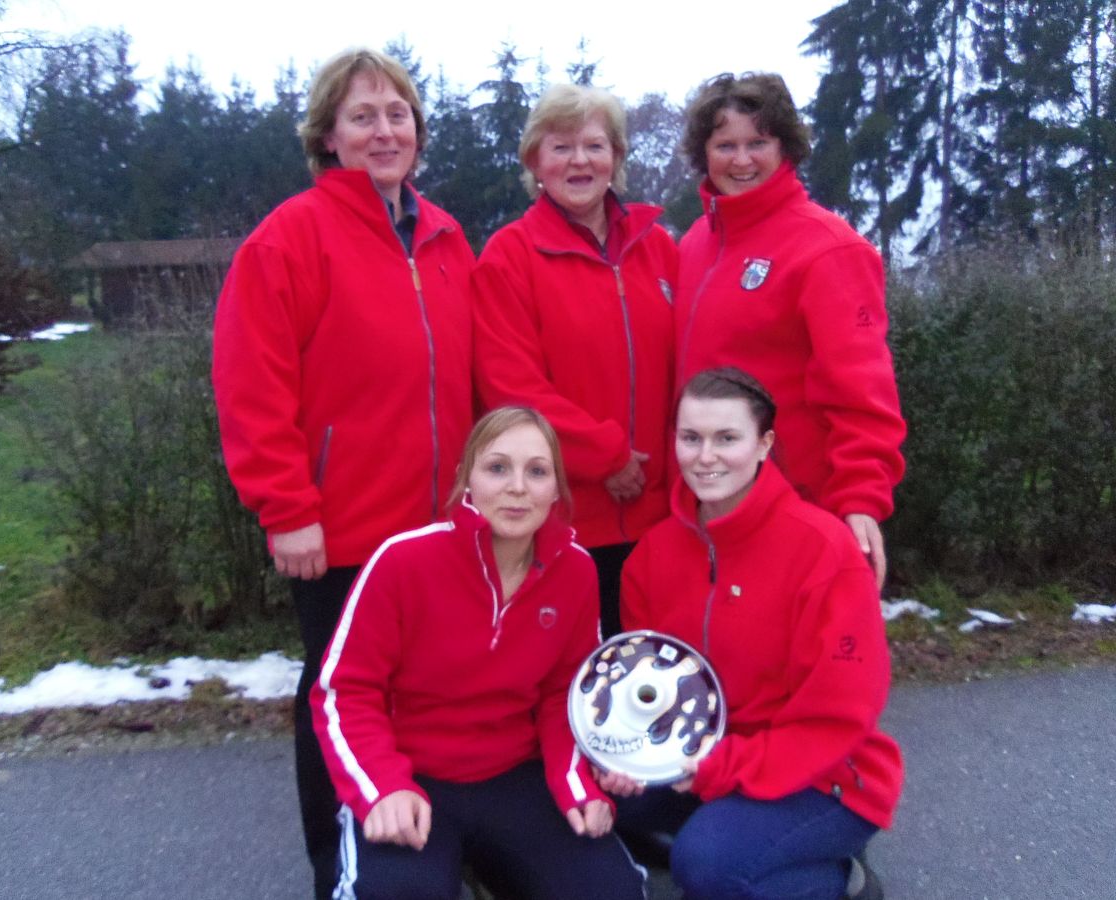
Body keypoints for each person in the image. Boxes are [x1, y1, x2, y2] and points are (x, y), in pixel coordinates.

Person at [211, 48, 474, 898]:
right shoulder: (289, 238)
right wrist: (287, 507)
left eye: (398, 115)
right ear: (328, 135)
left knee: (431, 696)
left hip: (441, 525)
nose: (384, 131)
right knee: (337, 699)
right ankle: (339, 868)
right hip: (342, 530)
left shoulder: (445, 237)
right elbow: (251, 385)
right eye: (362, 117)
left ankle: (424, 849)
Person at [313, 407, 646, 900]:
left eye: (537, 471)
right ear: (466, 477)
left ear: (556, 489)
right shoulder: (403, 561)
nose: (518, 487)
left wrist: (577, 785)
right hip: (413, 774)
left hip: (516, 774)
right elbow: (344, 692)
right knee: (398, 893)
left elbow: (567, 694)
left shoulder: (575, 570)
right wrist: (382, 787)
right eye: (497, 468)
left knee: (609, 892)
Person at [604, 368, 903, 900]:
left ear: (764, 444)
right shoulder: (652, 556)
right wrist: (626, 757)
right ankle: (746, 844)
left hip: (824, 776)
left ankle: (839, 881)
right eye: (690, 438)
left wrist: (723, 767)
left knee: (706, 863)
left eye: (727, 438)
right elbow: (648, 683)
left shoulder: (824, 550)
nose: (705, 457)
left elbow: (838, 717)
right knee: (598, 795)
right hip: (707, 758)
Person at [674, 73, 905, 589]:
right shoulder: (694, 244)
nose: (742, 160)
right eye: (725, 145)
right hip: (707, 505)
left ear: (785, 148)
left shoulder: (828, 249)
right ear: (704, 153)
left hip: (795, 506)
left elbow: (863, 391)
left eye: (758, 142)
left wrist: (860, 499)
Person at [472, 83, 677, 638]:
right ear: (535, 161)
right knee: (567, 673)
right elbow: (509, 387)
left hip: (662, 519)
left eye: (594, 146)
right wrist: (607, 456)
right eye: (561, 147)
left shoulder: (659, 249)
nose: (579, 161)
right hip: (562, 518)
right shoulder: (509, 257)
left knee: (646, 668)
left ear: (617, 156)